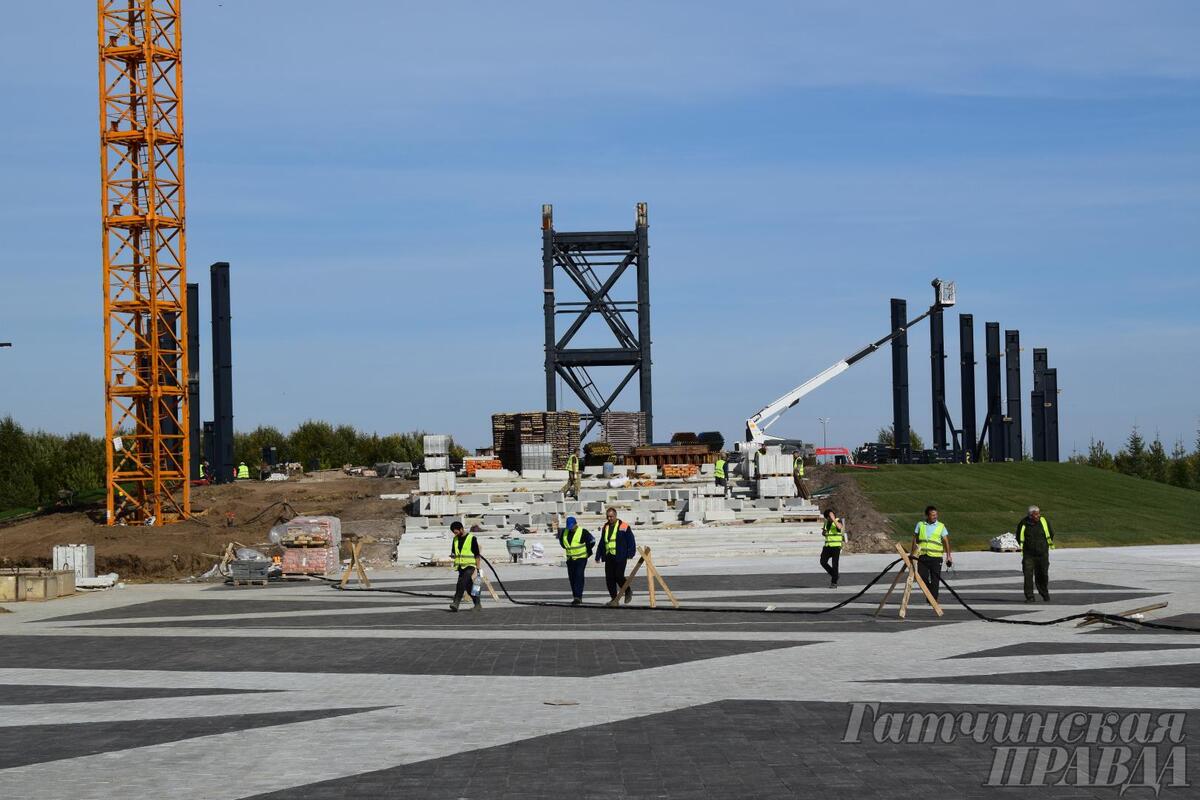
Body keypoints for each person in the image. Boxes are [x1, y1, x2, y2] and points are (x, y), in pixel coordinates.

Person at [910, 505, 953, 601]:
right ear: (927, 515)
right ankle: (930, 595)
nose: (935, 516)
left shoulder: (941, 526)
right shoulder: (920, 525)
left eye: (936, 514)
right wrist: (912, 553)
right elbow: (915, 539)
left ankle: (933, 599)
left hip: (936, 557)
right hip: (922, 556)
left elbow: (946, 541)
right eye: (933, 515)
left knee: (935, 580)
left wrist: (948, 556)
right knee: (921, 577)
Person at [596, 507, 637, 604]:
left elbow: (631, 540)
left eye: (611, 516)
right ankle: (614, 599)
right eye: (608, 517)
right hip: (609, 555)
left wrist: (631, 552)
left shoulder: (624, 526)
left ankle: (627, 591)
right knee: (609, 578)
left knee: (619, 576)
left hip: (620, 555)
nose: (609, 518)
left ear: (615, 516)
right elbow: (602, 541)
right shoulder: (605, 527)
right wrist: (598, 555)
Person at [1017, 504, 1055, 602]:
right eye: (1035, 514)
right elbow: (1018, 536)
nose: (1038, 516)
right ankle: (1030, 597)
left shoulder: (1044, 521)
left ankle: (1044, 594)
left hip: (1042, 554)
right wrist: (1027, 547)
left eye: (1038, 514)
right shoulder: (1023, 523)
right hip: (1029, 555)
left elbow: (1051, 533)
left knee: (1042, 575)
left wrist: (1044, 546)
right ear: (1030, 515)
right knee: (1028, 575)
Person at [559, 515, 594, 605]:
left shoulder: (583, 532)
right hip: (570, 559)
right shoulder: (564, 532)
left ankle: (578, 597)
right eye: (569, 527)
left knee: (579, 576)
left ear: (575, 524)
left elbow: (592, 541)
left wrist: (588, 551)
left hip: (581, 559)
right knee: (572, 578)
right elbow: (562, 543)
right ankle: (575, 596)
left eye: (572, 527)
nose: (570, 529)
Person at [448, 521, 482, 612]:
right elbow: (454, 552)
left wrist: (478, 567)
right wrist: (453, 555)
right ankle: (477, 604)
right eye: (454, 533)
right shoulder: (455, 539)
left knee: (461, 582)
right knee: (469, 586)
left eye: (456, 532)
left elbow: (477, 555)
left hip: (470, 565)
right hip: (460, 566)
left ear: (461, 529)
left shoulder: (472, 538)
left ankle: (456, 602)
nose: (455, 534)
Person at [819, 508, 845, 588]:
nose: (830, 517)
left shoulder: (838, 521)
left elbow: (840, 527)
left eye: (832, 515)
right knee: (823, 562)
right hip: (827, 546)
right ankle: (835, 575)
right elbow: (824, 533)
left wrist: (834, 519)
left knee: (835, 564)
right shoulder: (826, 522)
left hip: (836, 547)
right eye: (829, 516)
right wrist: (823, 532)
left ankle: (834, 582)